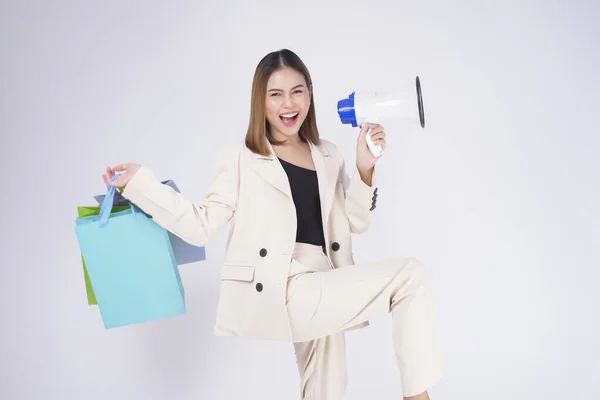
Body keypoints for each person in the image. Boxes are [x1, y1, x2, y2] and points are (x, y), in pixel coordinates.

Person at [102, 49, 443, 400]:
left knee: (327, 387)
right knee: (410, 276)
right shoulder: (242, 158)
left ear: (310, 93)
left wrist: (365, 166)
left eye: (297, 91)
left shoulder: (327, 154)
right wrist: (140, 184)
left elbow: (356, 220)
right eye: (275, 94)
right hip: (286, 287)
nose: (288, 104)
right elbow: (202, 225)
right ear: (260, 102)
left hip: (325, 280)